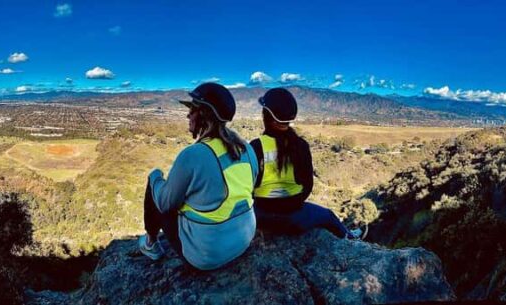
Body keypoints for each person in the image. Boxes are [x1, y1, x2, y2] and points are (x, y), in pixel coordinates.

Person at [139, 82, 259, 270]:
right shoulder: (247, 148)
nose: (188, 114)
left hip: (206, 255)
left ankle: (150, 244)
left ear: (203, 114)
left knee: (156, 183)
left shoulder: (193, 154)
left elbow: (164, 203)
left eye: (192, 109)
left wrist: (156, 177)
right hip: (243, 240)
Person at [250, 88, 365, 240]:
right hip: (294, 218)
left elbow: (249, 187)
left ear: (266, 115)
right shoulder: (301, 145)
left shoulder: (255, 146)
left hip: (261, 217)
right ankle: (349, 237)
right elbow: (307, 186)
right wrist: (291, 205)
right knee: (328, 216)